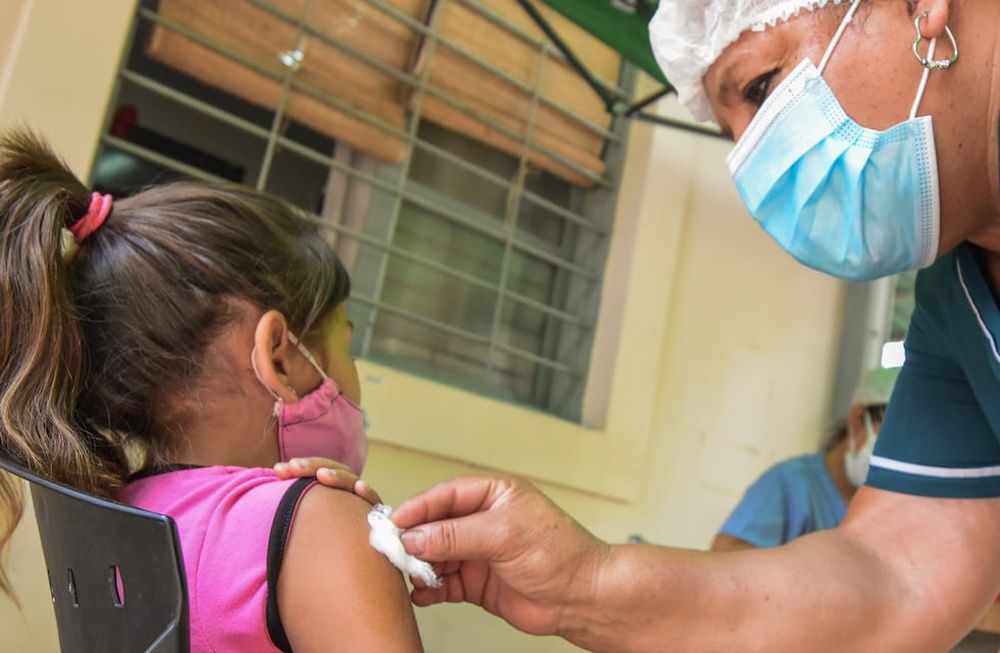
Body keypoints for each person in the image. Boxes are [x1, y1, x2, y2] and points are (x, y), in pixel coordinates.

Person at [333, 1, 1000, 651]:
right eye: (733, 132)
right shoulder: (956, 309)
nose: (753, 164)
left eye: (761, 86)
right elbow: (892, 581)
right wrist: (583, 583)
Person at [0, 129, 423, 653]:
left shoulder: (114, 514)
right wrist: (337, 526)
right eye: (348, 348)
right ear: (277, 357)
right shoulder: (318, 525)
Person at [712, 367, 899, 551]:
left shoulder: (888, 509)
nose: (898, 453)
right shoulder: (789, 483)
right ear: (858, 419)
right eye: (894, 435)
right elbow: (725, 556)